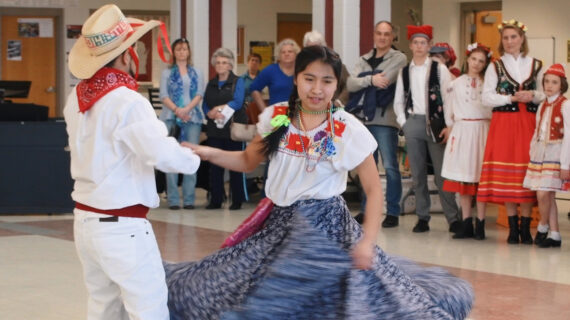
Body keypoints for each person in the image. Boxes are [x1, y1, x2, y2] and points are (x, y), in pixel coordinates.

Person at [164, 45, 473, 319]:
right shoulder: (280, 117)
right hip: (277, 224)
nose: (317, 88)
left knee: (326, 298)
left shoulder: (346, 127)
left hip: (326, 228)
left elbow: (373, 188)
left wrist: (367, 241)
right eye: (309, 78)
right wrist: (208, 152)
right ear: (296, 79)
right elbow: (247, 162)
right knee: (221, 286)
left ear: (337, 85)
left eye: (327, 81)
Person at [64, 5, 200, 319]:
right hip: (120, 226)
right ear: (127, 55)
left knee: (103, 306)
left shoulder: (77, 98)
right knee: (148, 307)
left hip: (85, 221)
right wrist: (193, 158)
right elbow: (160, 153)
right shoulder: (127, 100)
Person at [478, 19, 545, 244]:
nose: (509, 42)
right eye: (505, 38)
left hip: (528, 123)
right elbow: (486, 97)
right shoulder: (494, 66)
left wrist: (533, 96)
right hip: (504, 123)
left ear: (522, 39)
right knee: (509, 176)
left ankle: (525, 227)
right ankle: (513, 228)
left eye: (513, 37)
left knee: (526, 173)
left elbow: (547, 93)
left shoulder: (536, 64)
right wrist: (510, 97)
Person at [393, 25, 461, 233]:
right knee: (418, 173)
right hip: (413, 122)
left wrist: (449, 125)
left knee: (442, 173)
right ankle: (422, 216)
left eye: (424, 43)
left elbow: (449, 97)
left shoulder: (439, 69)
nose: (420, 46)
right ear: (411, 46)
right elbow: (398, 100)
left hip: (436, 124)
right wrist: (404, 122)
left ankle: (453, 217)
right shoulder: (405, 71)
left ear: (429, 46)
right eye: (416, 43)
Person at [347, 20, 407, 228]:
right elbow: (350, 83)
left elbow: (388, 79)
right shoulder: (363, 59)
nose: (382, 37)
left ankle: (392, 212)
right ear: (374, 35)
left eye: (387, 34)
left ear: (392, 37)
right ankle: (366, 209)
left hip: (385, 119)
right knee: (366, 167)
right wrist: (371, 80)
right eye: (379, 33)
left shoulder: (399, 58)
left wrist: (364, 80)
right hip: (363, 119)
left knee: (390, 166)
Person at [441, 43, 493, 240]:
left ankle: (480, 224)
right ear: (467, 59)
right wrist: (450, 127)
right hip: (462, 131)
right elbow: (449, 109)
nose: (477, 64)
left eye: (481, 61)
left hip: (482, 131)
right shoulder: (456, 83)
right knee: (464, 179)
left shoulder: (488, 84)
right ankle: (466, 223)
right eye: (474, 59)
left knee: (480, 179)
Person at [523, 63, 569, 248]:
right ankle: (555, 234)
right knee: (547, 195)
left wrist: (566, 164)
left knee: (543, 193)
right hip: (540, 153)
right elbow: (537, 132)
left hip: (557, 153)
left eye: (554, 82)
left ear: (562, 85)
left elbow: (569, 136)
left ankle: (543, 225)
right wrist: (532, 152)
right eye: (547, 81)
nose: (549, 86)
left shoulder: (565, 105)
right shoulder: (542, 105)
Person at [159, 38, 205, 210]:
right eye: (178, 49)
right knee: (171, 156)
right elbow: (163, 95)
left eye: (184, 49)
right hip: (170, 117)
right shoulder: (166, 73)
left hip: (192, 118)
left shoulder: (197, 72)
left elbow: (199, 94)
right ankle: (172, 199)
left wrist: (186, 109)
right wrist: (177, 110)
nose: (181, 52)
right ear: (174, 52)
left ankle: (189, 199)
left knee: (190, 156)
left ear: (189, 51)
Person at [202, 48, 248, 210]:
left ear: (230, 65)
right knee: (215, 167)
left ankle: (237, 199)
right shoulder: (211, 83)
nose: (221, 65)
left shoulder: (237, 81)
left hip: (233, 130)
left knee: (236, 166)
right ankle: (216, 199)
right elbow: (205, 104)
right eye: (218, 62)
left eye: (225, 62)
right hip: (215, 130)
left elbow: (238, 101)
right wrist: (210, 113)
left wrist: (220, 108)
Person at [250, 38, 299, 111]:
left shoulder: (302, 71)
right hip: (277, 117)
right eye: (283, 52)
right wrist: (265, 111)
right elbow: (254, 89)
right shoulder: (270, 70)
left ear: (296, 53)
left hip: (299, 115)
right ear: (279, 55)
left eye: (290, 51)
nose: (287, 54)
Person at [303, 30, 350, 105]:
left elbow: (349, 85)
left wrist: (339, 101)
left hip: (332, 110)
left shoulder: (336, 65)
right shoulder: (302, 67)